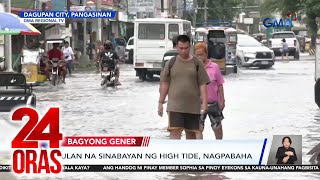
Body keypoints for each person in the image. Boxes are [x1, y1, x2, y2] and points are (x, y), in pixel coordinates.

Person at [158, 35, 210, 139]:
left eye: (186, 48)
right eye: (181, 48)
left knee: (191, 136)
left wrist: (204, 104)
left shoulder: (197, 63)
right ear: (176, 47)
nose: (183, 51)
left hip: (193, 107)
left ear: (190, 47)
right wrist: (160, 102)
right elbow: (165, 83)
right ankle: (175, 155)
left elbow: (202, 84)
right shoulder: (171, 63)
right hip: (175, 106)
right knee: (174, 134)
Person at [194, 43, 225, 140]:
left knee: (217, 127)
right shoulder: (193, 67)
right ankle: (201, 150)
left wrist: (222, 101)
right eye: (197, 55)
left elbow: (220, 85)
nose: (199, 57)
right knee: (198, 129)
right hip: (198, 104)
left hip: (213, 103)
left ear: (206, 54)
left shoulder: (214, 67)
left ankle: (219, 148)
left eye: (201, 54)